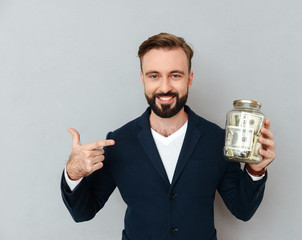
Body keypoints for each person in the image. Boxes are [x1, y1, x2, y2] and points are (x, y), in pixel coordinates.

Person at [61, 33, 276, 240]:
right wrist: (73, 173)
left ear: (189, 79)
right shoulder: (118, 142)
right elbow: (83, 212)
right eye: (154, 76)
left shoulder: (217, 139)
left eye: (175, 75)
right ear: (143, 79)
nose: (165, 87)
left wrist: (256, 170)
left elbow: (242, 209)